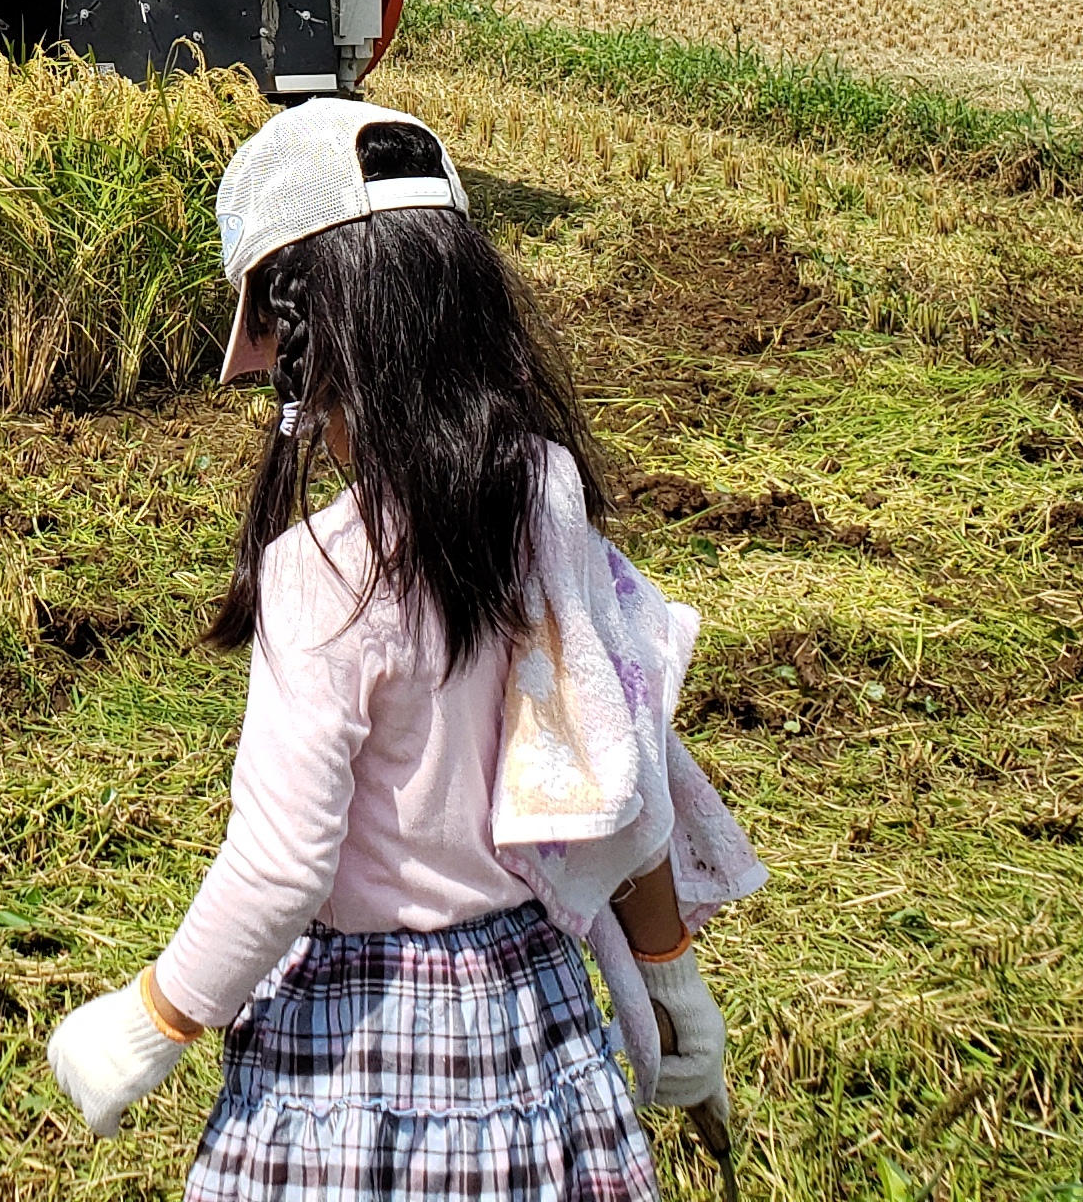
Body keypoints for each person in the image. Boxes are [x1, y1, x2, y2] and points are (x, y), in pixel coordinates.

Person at [48, 97, 760, 1196]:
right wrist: (670, 981)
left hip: (357, 1051)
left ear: (305, 347)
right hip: (537, 1014)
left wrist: (148, 1022)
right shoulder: (547, 498)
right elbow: (622, 761)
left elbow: (282, 867)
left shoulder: (320, 577)